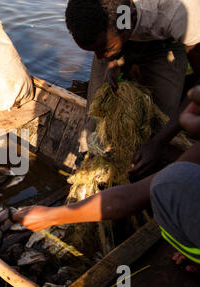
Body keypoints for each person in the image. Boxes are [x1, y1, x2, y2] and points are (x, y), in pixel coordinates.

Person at [13, 85, 200, 272]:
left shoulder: (174, 181)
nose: (190, 106)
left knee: (170, 182)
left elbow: (131, 198)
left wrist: (50, 216)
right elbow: (130, 196)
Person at [65, 0, 200, 180]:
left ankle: (139, 177)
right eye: (94, 51)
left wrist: (159, 142)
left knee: (161, 120)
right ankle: (88, 167)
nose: (99, 58)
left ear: (128, 20)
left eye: (105, 49)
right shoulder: (97, 15)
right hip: (116, 32)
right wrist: (111, 61)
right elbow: (105, 37)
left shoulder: (179, 11)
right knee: (96, 115)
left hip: (166, 43)